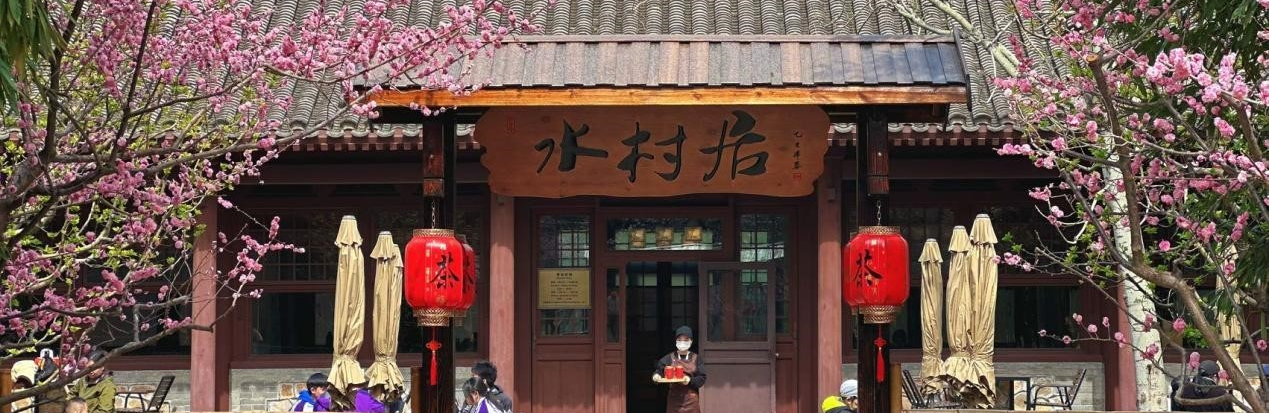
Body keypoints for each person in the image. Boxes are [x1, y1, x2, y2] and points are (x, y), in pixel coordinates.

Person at [652, 326, 707, 413]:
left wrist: (689, 380)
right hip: (674, 399)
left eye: (686, 340)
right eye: (680, 340)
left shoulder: (697, 358)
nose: (682, 342)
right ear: (676, 341)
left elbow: (702, 378)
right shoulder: (669, 357)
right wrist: (656, 376)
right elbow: (659, 371)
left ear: (691, 341)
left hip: (691, 400)